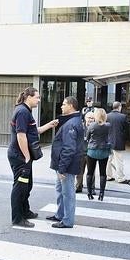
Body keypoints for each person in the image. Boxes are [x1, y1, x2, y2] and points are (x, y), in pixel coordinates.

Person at [8, 87, 58, 228]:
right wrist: (27, 156)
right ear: (28, 97)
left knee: (27, 185)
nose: (39, 100)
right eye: (37, 97)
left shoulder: (25, 111)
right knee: (20, 186)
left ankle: (25, 211)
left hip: (22, 156)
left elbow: (33, 131)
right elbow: (21, 135)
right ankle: (18, 219)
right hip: (20, 156)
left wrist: (49, 125)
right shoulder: (23, 112)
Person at [48, 96, 84, 228]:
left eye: (64, 104)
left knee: (67, 193)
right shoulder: (71, 121)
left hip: (67, 165)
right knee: (60, 189)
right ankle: (60, 214)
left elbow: (69, 148)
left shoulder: (72, 123)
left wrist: (62, 168)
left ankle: (67, 220)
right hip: (62, 164)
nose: (61, 106)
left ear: (71, 106)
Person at [85, 108, 112, 201]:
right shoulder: (108, 125)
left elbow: (87, 137)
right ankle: (101, 194)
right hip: (104, 151)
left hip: (92, 151)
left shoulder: (92, 125)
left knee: (90, 172)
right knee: (103, 173)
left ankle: (89, 193)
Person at [106, 101, 130, 184]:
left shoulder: (107, 116)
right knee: (119, 160)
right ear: (119, 107)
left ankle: (108, 176)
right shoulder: (123, 117)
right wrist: (127, 138)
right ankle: (121, 178)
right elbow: (127, 130)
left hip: (108, 141)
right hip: (118, 141)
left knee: (109, 159)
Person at [75, 111, 95, 193]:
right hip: (80, 152)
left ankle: (91, 189)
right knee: (79, 172)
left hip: (91, 153)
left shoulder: (95, 128)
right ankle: (78, 186)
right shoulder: (80, 127)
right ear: (85, 118)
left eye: (92, 118)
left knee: (91, 172)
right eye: (89, 117)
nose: (90, 119)